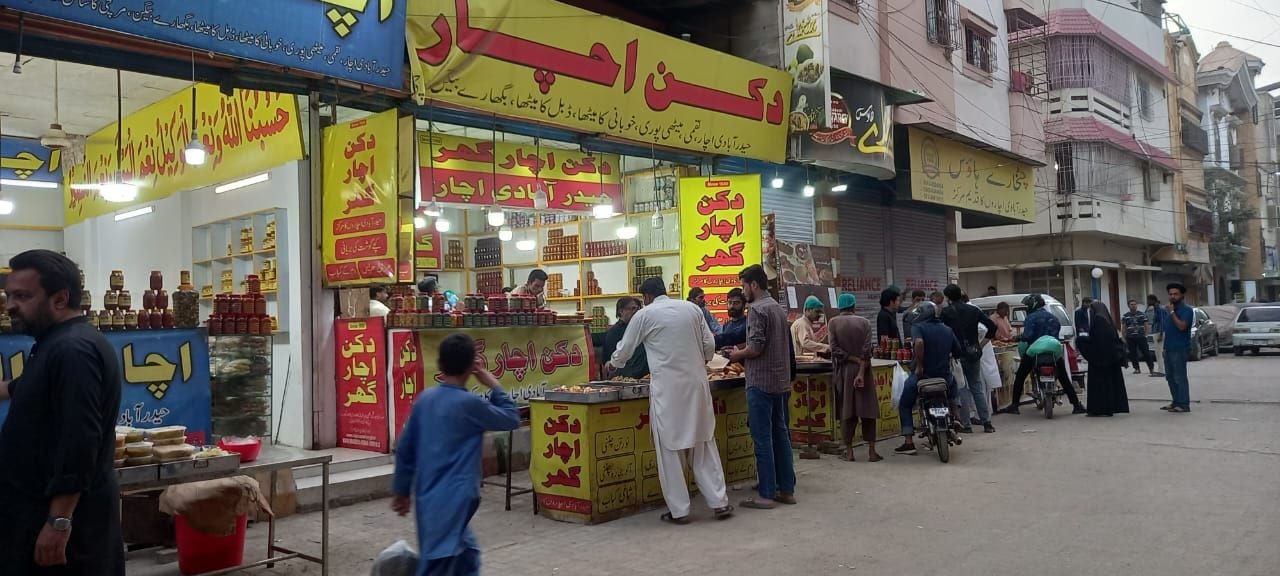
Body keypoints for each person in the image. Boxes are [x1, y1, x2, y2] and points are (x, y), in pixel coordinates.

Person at [0, 250, 124, 574]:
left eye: (22, 296)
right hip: (36, 513)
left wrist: (59, 522)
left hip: (70, 532)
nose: (10, 304)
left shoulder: (73, 352)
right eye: (9, 295)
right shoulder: (58, 344)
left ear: (60, 299)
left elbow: (78, 441)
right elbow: (21, 388)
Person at [392, 333, 521, 574]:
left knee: (466, 555)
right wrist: (492, 382)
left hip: (429, 494)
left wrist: (401, 490)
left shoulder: (424, 400)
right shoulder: (470, 404)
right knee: (439, 562)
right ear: (471, 367)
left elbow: (405, 449)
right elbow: (511, 418)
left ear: (440, 365)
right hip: (455, 497)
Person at [611, 278, 732, 524]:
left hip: (668, 391)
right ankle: (719, 503)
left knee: (670, 448)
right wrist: (702, 360)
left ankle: (680, 511)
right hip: (697, 386)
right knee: (703, 443)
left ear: (646, 296)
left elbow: (625, 350)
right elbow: (709, 345)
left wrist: (614, 363)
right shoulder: (692, 309)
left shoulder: (645, 315)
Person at [728, 265, 796, 509]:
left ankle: (766, 494)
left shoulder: (756, 310)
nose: (744, 291)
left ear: (753, 285)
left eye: (744, 285)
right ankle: (786, 490)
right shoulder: (777, 308)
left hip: (760, 382)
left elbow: (755, 349)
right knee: (781, 435)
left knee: (762, 439)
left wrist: (736, 355)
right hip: (780, 381)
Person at [998, 294, 1086, 415]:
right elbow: (1056, 333)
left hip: (1035, 351)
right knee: (1064, 377)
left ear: (1032, 306)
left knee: (1020, 376)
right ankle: (1076, 405)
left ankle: (1014, 405)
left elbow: (1028, 336)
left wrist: (1019, 338)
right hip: (1052, 350)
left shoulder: (1031, 318)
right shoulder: (1053, 317)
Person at [894, 301, 963, 455]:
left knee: (904, 403)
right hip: (944, 377)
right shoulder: (947, 329)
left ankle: (908, 442)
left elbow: (918, 342)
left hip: (922, 377)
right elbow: (958, 351)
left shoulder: (918, 327)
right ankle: (957, 417)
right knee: (954, 390)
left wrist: (919, 366)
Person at [827, 293, 880, 462]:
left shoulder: (833, 322)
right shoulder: (865, 322)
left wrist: (852, 359)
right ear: (854, 306)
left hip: (845, 371)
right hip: (864, 369)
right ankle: (872, 451)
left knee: (847, 410)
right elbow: (866, 350)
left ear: (840, 307)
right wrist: (861, 369)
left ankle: (849, 451)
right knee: (868, 410)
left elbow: (834, 349)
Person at [940, 285, 997, 433]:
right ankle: (987, 423)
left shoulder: (946, 312)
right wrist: (981, 344)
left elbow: (942, 332)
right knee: (977, 387)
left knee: (961, 388)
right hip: (973, 352)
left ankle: (966, 424)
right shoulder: (974, 310)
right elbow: (992, 327)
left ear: (948, 297)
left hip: (956, 355)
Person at [1079, 301, 1130, 417]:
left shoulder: (1099, 322)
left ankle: (1101, 409)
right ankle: (1109, 407)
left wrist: (1082, 342)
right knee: (1109, 385)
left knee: (1101, 386)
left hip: (1100, 360)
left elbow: (1098, 343)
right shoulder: (1107, 321)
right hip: (1109, 359)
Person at [1161, 283, 1194, 413]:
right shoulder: (1169, 310)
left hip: (1180, 349)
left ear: (1182, 295)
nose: (1172, 296)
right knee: (1170, 376)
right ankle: (1176, 401)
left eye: (1175, 294)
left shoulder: (1186, 310)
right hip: (1168, 348)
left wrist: (1172, 312)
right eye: (1170, 294)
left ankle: (1184, 404)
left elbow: (1181, 326)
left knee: (1179, 377)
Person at [604, 297, 649, 379]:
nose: (635, 312)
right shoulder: (614, 332)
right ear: (621, 311)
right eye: (632, 308)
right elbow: (611, 359)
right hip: (625, 375)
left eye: (637, 309)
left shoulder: (640, 328)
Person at [1122, 299, 1155, 374]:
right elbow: (1124, 327)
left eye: (1135, 304)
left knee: (1146, 352)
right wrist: (1123, 337)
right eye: (1131, 304)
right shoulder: (1125, 316)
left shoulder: (1142, 314)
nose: (1133, 306)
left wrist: (1146, 335)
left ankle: (1151, 368)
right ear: (1128, 306)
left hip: (1141, 336)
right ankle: (1136, 368)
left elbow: (1146, 325)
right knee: (1133, 353)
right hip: (1130, 337)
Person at [1146, 294, 1167, 377]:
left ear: (1152, 300)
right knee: (1157, 352)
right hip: (1157, 331)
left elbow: (1162, 321)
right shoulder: (1156, 308)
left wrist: (1161, 334)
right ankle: (1161, 370)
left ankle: (1162, 371)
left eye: (1148, 300)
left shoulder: (1160, 309)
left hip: (1159, 332)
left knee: (1159, 352)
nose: (1147, 302)